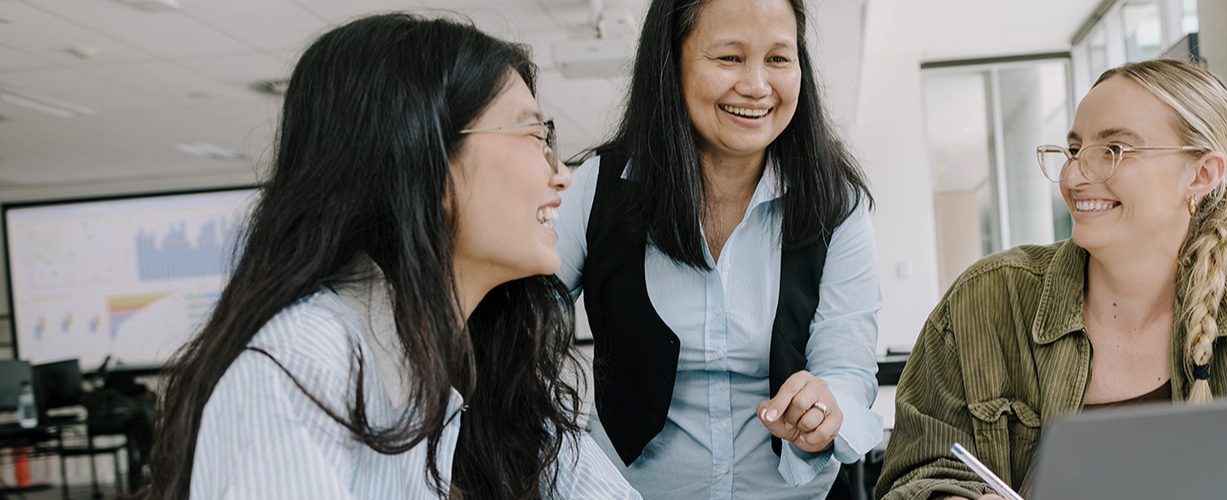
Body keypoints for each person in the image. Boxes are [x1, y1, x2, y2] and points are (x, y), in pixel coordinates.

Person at [139, 13, 639, 500]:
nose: (561, 175)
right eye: (535, 137)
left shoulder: (483, 360)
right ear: (425, 160)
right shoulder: (300, 365)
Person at [874, 59, 1227, 500]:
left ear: (1202, 174)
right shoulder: (987, 299)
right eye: (1075, 149)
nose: (1075, 175)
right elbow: (913, 474)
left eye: (1113, 150)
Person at [550, 0, 882, 498]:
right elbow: (514, 329)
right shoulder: (599, 189)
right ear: (672, 62)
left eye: (778, 58)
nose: (756, 86)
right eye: (729, 58)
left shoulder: (836, 203)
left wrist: (826, 406)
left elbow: (847, 367)